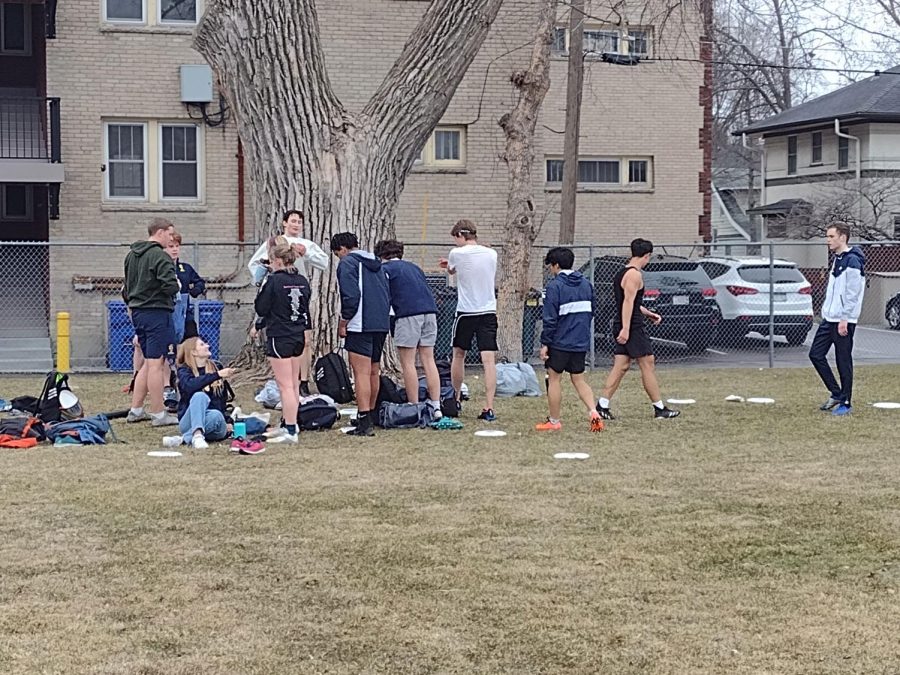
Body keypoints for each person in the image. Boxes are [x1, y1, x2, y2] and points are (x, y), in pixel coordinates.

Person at [595, 238, 680, 420]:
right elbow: (627, 302)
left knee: (621, 366)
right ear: (647, 256)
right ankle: (659, 409)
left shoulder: (621, 272)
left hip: (625, 321)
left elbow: (632, 303)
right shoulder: (635, 275)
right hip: (632, 326)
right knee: (648, 363)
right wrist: (626, 329)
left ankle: (602, 405)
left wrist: (648, 313)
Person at [248, 210, 328, 396]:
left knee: (305, 340)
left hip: (298, 294)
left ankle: (303, 381)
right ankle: (287, 383)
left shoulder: (305, 244)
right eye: (293, 221)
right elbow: (255, 265)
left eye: (299, 221)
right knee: (284, 340)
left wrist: (306, 253)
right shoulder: (274, 243)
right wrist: (267, 273)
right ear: (284, 223)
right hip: (278, 296)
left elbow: (323, 262)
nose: (296, 224)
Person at [535, 247, 604, 432]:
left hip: (560, 341)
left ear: (556, 265)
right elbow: (593, 311)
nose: (550, 269)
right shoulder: (586, 284)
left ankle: (554, 421)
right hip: (580, 340)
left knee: (554, 379)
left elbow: (549, 318)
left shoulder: (554, 286)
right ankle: (594, 413)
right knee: (579, 379)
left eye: (550, 265)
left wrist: (545, 343)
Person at [252, 236, 312, 443]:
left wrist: (262, 283)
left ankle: (290, 429)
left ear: (276, 261)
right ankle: (290, 421)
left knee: (284, 385)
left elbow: (261, 307)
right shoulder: (302, 281)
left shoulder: (274, 280)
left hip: (280, 335)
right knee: (294, 384)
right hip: (297, 334)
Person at [375, 239, 442, 419]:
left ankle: (414, 406)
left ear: (381, 256)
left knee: (408, 362)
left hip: (407, 314)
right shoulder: (414, 268)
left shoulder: (385, 270)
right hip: (430, 312)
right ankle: (436, 405)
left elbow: (384, 296)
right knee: (429, 359)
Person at [331, 232, 391, 437]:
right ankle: (371, 414)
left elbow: (351, 296)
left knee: (361, 373)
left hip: (359, 323)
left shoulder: (348, 263)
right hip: (380, 322)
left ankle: (363, 418)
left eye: (337, 254)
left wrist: (343, 321)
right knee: (374, 370)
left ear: (342, 249)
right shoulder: (376, 263)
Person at [439, 219, 498, 421]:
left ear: (460, 236)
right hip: (489, 310)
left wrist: (448, 266)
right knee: (488, 361)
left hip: (466, 311)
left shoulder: (456, 253)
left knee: (458, 354)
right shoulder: (491, 253)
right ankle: (489, 406)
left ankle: (454, 398)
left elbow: (453, 270)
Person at [123, 218, 180, 426]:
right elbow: (170, 286)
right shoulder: (160, 257)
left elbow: (126, 287)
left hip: (137, 312)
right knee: (157, 363)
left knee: (148, 362)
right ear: (160, 232)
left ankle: (136, 410)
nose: (171, 238)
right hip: (157, 313)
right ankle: (158, 413)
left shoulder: (131, 256)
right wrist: (174, 286)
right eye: (169, 234)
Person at [809, 221, 865, 416]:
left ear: (843, 237)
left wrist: (844, 318)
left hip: (843, 321)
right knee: (815, 354)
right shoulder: (837, 259)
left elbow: (852, 293)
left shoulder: (853, 261)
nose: (828, 240)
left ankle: (846, 402)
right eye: (828, 236)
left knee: (843, 360)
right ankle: (836, 393)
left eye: (831, 236)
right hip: (829, 318)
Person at [169, 337, 235, 449]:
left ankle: (186, 438)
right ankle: (196, 435)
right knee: (199, 396)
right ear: (193, 352)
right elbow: (190, 386)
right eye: (202, 344)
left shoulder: (216, 367)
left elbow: (222, 400)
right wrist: (217, 375)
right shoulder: (184, 370)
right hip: (188, 421)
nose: (207, 346)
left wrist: (228, 421)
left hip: (215, 422)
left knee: (216, 415)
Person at [166, 231, 206, 342]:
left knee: (193, 341)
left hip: (185, 312)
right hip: (167, 313)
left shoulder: (185, 268)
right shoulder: (161, 269)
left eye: (177, 246)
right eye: (171, 246)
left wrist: (197, 289)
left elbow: (200, 282)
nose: (175, 249)